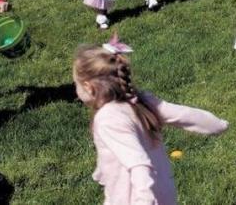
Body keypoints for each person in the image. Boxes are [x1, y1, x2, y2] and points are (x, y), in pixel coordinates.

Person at [73, 44, 228, 204]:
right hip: (164, 193)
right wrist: (218, 124)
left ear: (88, 87)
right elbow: (184, 114)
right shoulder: (140, 101)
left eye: (76, 84)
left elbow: (138, 164)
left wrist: (143, 200)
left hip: (133, 197)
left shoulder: (108, 119)